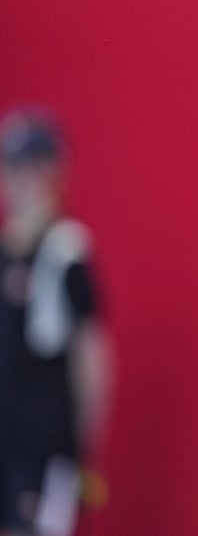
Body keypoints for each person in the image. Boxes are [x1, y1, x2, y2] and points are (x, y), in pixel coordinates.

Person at [0, 107, 112, 536]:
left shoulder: (66, 252)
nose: (24, 182)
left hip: (44, 449)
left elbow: (93, 355)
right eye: (15, 168)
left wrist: (80, 448)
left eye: (35, 168)